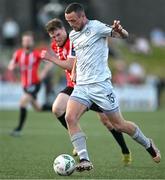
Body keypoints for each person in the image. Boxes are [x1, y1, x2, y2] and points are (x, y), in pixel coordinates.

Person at [62, 3, 160, 171]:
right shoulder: (73, 35)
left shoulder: (97, 27)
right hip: (82, 86)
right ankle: (85, 160)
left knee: (119, 125)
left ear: (82, 16)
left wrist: (120, 30)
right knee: (69, 117)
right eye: (68, 21)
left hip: (101, 86)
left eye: (73, 20)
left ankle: (148, 143)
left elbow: (124, 36)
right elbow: (78, 53)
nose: (71, 24)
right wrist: (75, 71)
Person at [41, 18, 132, 165]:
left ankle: (125, 150)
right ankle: (78, 138)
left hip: (90, 85)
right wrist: (46, 69)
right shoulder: (55, 46)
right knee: (57, 108)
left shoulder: (73, 40)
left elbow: (70, 66)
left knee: (108, 122)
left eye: (58, 35)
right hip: (75, 87)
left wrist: (50, 59)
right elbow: (65, 67)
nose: (56, 39)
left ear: (64, 30)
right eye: (53, 37)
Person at [8, 31, 52, 136]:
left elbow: (49, 63)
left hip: (35, 84)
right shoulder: (18, 53)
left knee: (22, 103)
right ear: (23, 42)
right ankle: (56, 108)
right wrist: (12, 67)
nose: (27, 42)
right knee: (38, 108)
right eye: (25, 40)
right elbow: (11, 64)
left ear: (32, 42)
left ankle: (18, 129)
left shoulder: (36, 53)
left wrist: (43, 72)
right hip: (25, 85)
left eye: (29, 40)